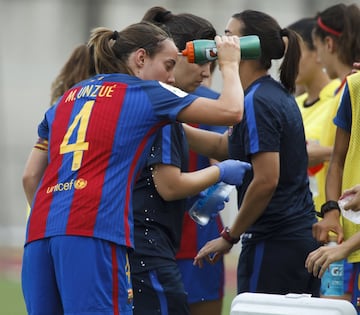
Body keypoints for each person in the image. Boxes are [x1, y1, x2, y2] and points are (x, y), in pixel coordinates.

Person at [21, 22, 246, 315]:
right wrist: (229, 64)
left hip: (39, 232)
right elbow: (231, 111)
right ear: (141, 58)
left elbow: (30, 177)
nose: (171, 76)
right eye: (167, 65)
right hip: (94, 230)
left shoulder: (69, 96)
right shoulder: (148, 94)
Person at [185, 9, 321, 297]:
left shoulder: (258, 102)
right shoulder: (260, 94)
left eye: (229, 36)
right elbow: (225, 147)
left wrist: (229, 235)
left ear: (246, 47)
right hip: (286, 241)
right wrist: (171, 127)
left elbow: (266, 180)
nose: (221, 42)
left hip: (276, 244)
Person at [129, 8, 231, 315]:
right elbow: (171, 184)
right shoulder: (160, 104)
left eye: (213, 63)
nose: (206, 72)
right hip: (155, 238)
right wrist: (234, 69)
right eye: (202, 60)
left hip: (193, 235)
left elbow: (221, 147)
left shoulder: (190, 104)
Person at [288, 17, 352, 300]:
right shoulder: (295, 104)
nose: (289, 62)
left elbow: (342, 153)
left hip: (336, 224)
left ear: (320, 49)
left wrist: (310, 153)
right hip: (303, 220)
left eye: (297, 52)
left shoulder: (341, 93)